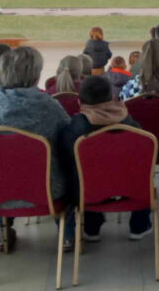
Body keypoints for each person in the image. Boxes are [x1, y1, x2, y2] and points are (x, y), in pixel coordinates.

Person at [0, 46, 71, 252]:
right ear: (36, 75)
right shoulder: (50, 107)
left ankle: (1, 233)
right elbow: (69, 143)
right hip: (46, 190)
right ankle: (69, 235)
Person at [58, 76, 148, 248]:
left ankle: (91, 228)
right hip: (130, 187)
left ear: (80, 102)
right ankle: (140, 225)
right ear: (112, 98)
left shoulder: (74, 128)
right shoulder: (131, 123)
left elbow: (65, 158)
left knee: (80, 173)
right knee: (142, 172)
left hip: (89, 191)